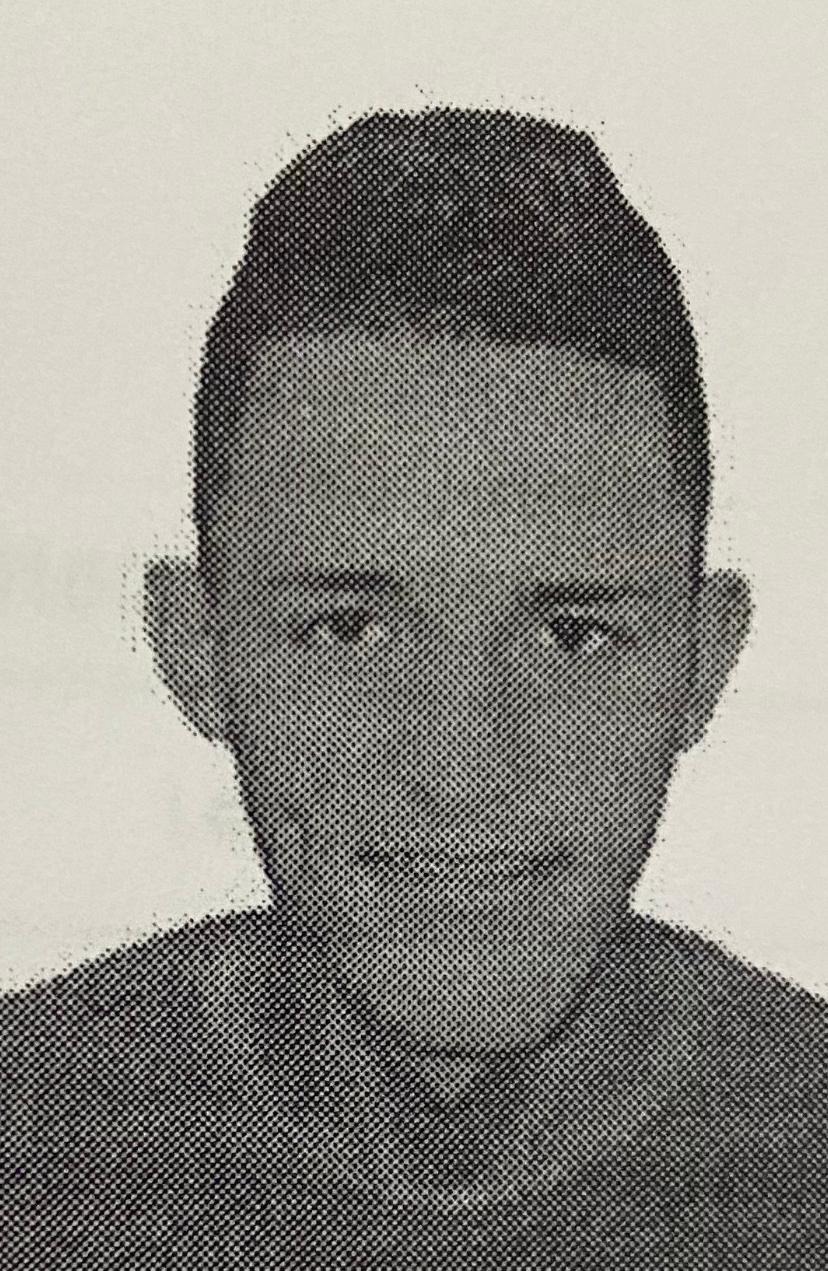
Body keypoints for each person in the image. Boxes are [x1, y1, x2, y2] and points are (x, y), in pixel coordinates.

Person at [2, 108, 826, 1268]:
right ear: (196, 648)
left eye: (574, 635)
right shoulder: (35, 1142)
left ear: (703, 659)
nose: (461, 768)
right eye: (351, 629)